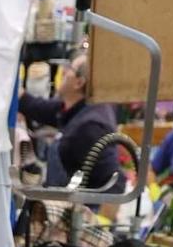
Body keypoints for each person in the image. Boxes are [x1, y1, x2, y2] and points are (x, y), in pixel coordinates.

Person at [20, 54, 126, 192]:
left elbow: (114, 182)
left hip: (78, 208)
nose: (63, 70)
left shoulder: (89, 127)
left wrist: (92, 213)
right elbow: (41, 108)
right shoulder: (79, 106)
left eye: (69, 68)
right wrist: (18, 94)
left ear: (79, 83)